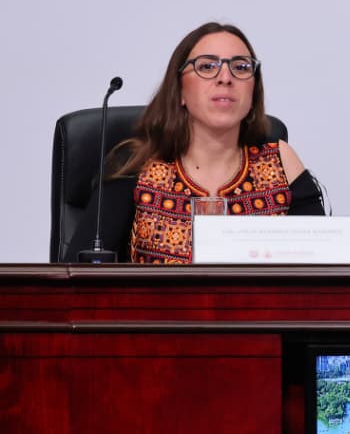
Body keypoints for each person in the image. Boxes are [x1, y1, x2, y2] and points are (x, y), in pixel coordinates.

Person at [68, 22, 324, 263]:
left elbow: (325, 267)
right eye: (207, 67)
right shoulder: (135, 165)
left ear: (253, 91)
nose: (225, 77)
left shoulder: (281, 161)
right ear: (179, 90)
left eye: (241, 67)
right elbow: (80, 278)